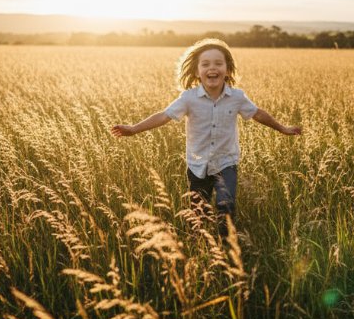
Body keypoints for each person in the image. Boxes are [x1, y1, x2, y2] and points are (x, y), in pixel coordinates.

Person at [110, 38, 302, 236]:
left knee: (225, 207)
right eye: (206, 64)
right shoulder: (188, 98)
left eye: (219, 63)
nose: (213, 68)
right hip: (197, 165)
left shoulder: (236, 97)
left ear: (228, 70)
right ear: (196, 71)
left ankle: (227, 247)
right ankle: (200, 244)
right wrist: (134, 129)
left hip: (226, 162)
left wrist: (282, 128)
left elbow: (258, 113)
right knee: (198, 212)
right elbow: (164, 115)